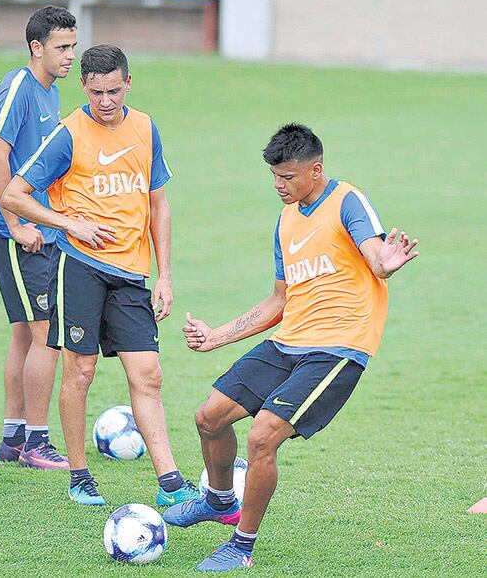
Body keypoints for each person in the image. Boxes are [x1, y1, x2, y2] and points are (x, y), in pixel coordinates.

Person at [166, 123, 419, 572]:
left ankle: (241, 546)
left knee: (263, 434)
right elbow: (279, 301)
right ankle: (220, 500)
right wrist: (216, 336)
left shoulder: (347, 202)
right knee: (209, 416)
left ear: (315, 170)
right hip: (288, 342)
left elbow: (375, 255)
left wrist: (385, 263)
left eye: (288, 177)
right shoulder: (285, 219)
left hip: (338, 348)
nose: (279, 186)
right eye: (275, 178)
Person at [1, 44, 201, 507]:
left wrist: (164, 276)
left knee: (148, 374)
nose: (105, 101)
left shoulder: (147, 128)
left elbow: (158, 205)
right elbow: (14, 195)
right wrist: (70, 223)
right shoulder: (68, 133)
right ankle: (79, 475)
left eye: (113, 91)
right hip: (80, 268)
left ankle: (170, 481)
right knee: (81, 370)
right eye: (96, 92)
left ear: (128, 83)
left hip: (132, 274)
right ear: (84, 87)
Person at [0, 6, 76, 469]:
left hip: (40, 230)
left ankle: (14, 437)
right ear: (36, 47)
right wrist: (17, 223)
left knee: (25, 334)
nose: (70, 56)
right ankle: (37, 443)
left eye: (73, 46)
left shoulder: (50, 91)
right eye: (62, 47)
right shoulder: (19, 87)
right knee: (46, 336)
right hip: (16, 233)